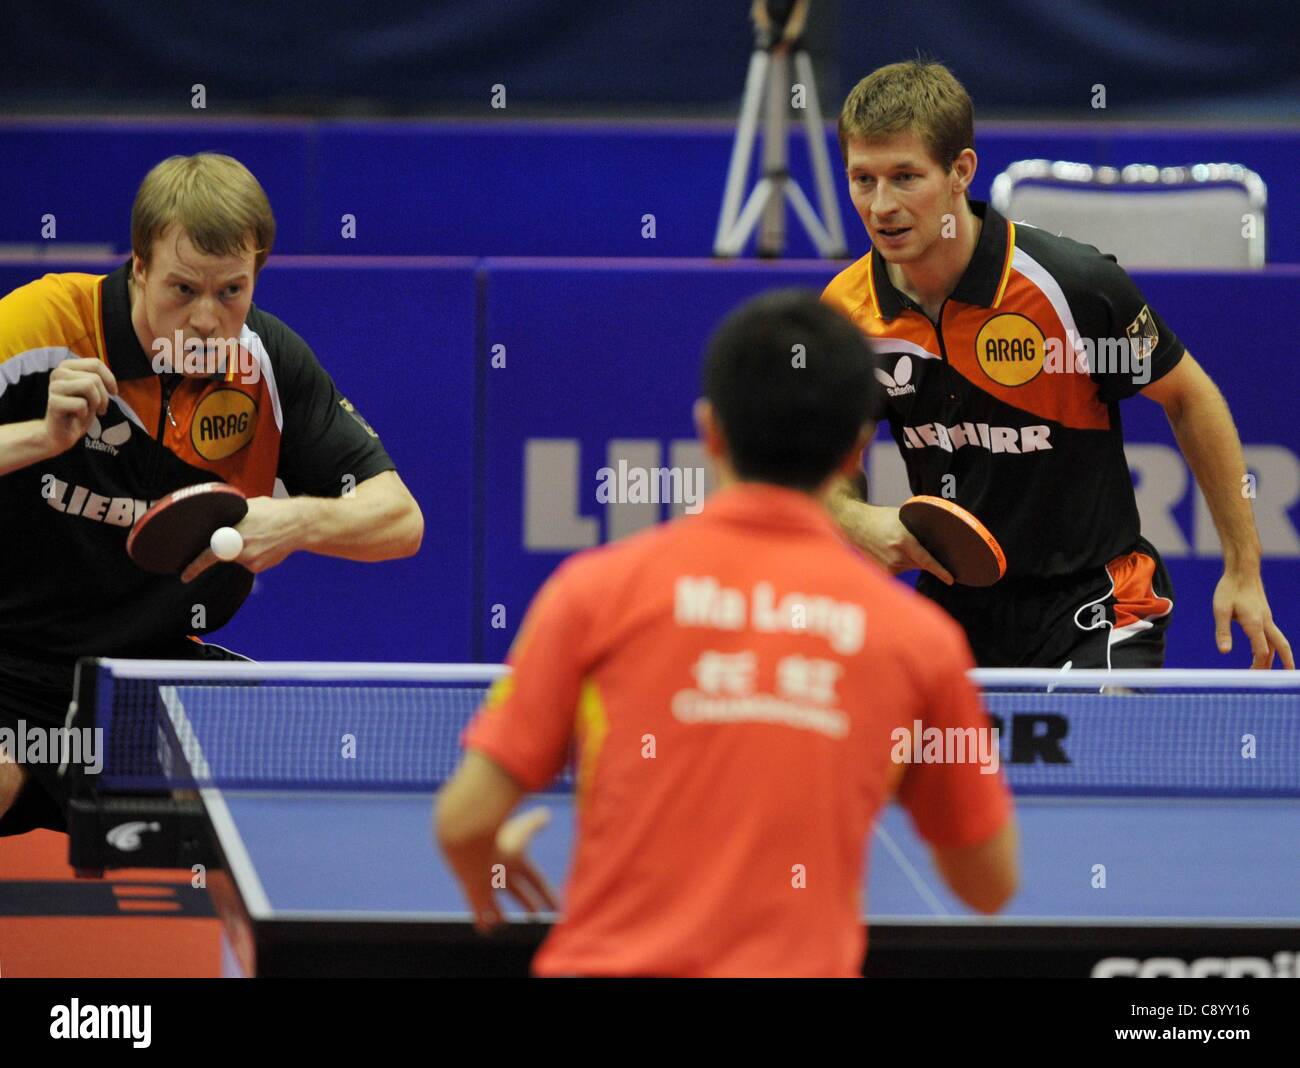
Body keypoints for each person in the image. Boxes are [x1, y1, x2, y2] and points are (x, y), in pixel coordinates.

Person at [436, 290, 1016, 978]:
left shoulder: (593, 593)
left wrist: (489, 865)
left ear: (710, 430)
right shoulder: (915, 640)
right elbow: (988, 884)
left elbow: (463, 822)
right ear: (859, 446)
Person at [0, 153, 424, 836]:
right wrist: (37, 438)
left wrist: (295, 520)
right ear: (138, 266)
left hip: (148, 679)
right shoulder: (41, 327)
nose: (205, 319)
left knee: (315, 806)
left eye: (231, 291)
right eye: (182, 289)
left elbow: (401, 520)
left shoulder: (268, 365)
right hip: (12, 657)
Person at [822, 60, 1293, 672]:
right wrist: (856, 518)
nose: (882, 205)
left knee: (1098, 759)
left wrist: (1243, 566)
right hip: (956, 611)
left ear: (960, 171)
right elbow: (824, 468)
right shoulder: (850, 314)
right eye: (863, 180)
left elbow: (1189, 397)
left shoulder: (1070, 285)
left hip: (1101, 601)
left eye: (906, 177)